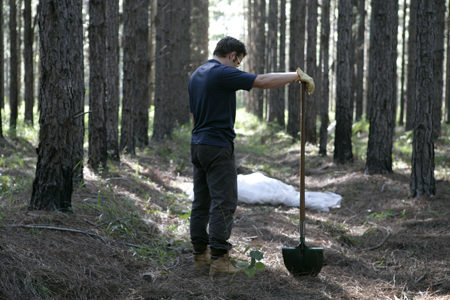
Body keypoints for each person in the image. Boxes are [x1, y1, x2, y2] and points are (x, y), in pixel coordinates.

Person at [188, 36, 314, 276]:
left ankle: (200, 256)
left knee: (201, 201)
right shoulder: (221, 72)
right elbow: (262, 81)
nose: (237, 67)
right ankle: (219, 260)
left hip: (197, 144)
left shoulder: (197, 75)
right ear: (233, 54)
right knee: (224, 202)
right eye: (238, 62)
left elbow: (193, 114)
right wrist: (296, 75)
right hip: (217, 147)